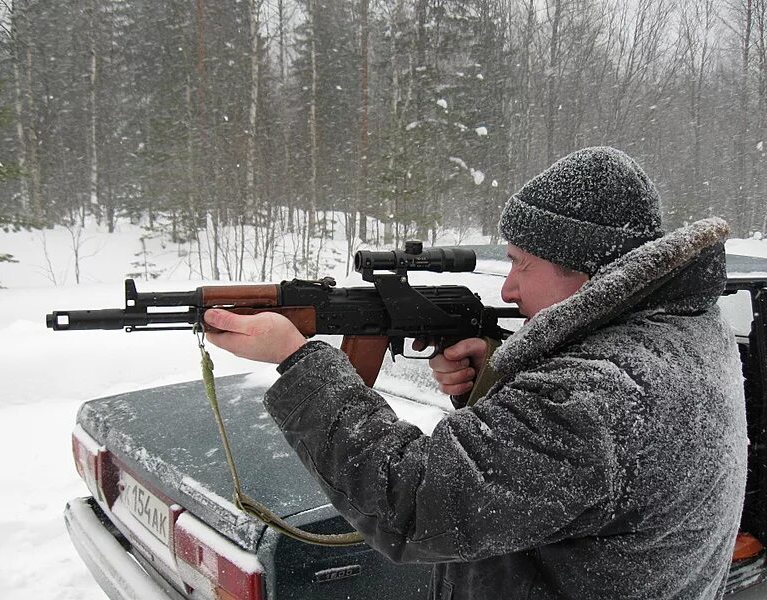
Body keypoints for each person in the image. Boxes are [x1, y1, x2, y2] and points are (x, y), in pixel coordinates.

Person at [204, 147, 747, 599]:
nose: (508, 289)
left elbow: (413, 502)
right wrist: (503, 379)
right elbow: (578, 478)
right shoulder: (689, 331)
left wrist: (298, 362)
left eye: (521, 263)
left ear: (587, 267)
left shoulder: (598, 396)